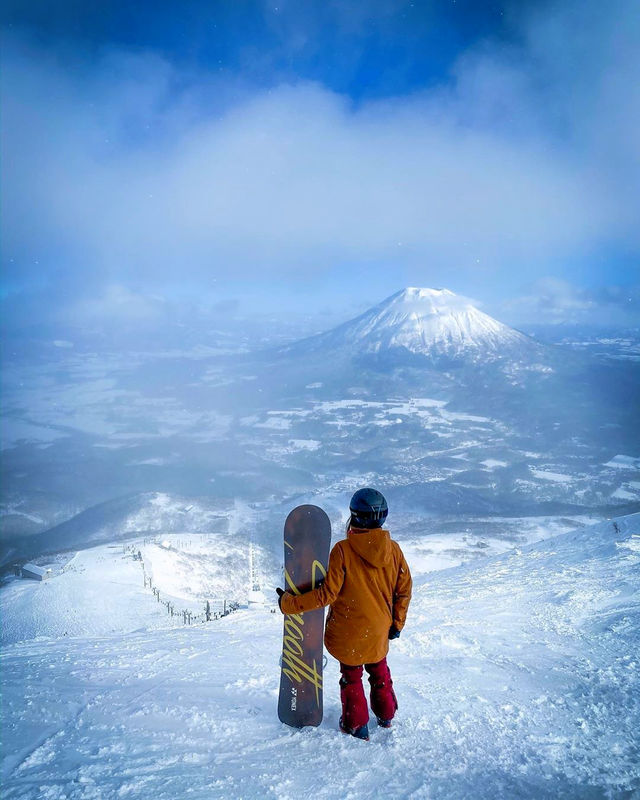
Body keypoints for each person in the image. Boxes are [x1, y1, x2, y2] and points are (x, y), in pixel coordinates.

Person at [277, 488, 412, 741]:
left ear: (354, 516)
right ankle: (386, 715)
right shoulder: (393, 550)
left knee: (352, 677)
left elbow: (326, 595)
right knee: (379, 670)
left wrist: (289, 604)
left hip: (349, 632)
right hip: (379, 629)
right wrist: (397, 623)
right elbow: (403, 589)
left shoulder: (343, 551)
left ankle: (356, 724)